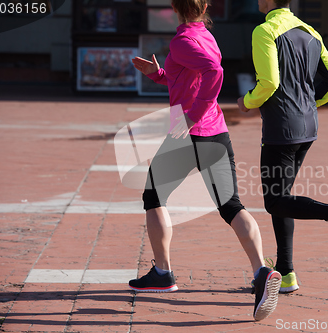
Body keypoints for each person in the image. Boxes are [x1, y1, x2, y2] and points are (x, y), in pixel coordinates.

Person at [129, 0, 281, 321]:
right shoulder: (205, 35)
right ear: (205, 6)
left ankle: (162, 274)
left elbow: (214, 72)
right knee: (231, 205)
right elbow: (190, 80)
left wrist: (191, 117)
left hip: (188, 134)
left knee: (153, 196)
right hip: (217, 133)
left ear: (174, 6)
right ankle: (261, 273)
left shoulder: (182, 40)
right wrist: (157, 73)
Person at [237, 0, 328, 294]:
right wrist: (309, 105)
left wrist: (246, 102)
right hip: (308, 128)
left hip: (281, 130)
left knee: (274, 201)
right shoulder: (311, 32)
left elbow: (268, 83)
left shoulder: (265, 31)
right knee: (282, 198)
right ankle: (286, 273)